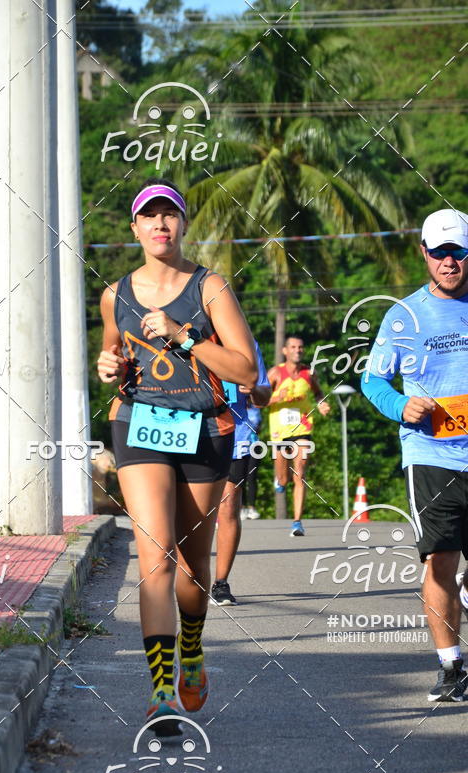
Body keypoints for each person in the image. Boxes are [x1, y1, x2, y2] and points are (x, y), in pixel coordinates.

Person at [96, 177, 258, 733]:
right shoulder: (115, 294)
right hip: (139, 425)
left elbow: (245, 371)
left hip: (205, 429)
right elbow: (112, 353)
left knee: (193, 568)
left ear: (183, 225)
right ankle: (162, 693)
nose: (160, 224)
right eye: (150, 216)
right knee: (155, 560)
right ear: (135, 227)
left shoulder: (210, 288)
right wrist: (106, 366)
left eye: (170, 215)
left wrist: (185, 336)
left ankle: (192, 649)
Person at [362, 208, 468, 702]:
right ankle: (451, 666)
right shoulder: (403, 315)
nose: (450, 262)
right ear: (424, 254)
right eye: (441, 252)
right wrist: (402, 405)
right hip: (433, 453)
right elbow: (372, 380)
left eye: (459, 252)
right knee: (441, 559)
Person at [211, 341, 272, 606]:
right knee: (187, 511)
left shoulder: (245, 342)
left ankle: (220, 583)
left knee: (227, 507)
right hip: (187, 431)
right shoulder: (182, 333)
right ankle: (187, 576)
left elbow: (264, 396)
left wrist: (255, 390)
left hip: (236, 435)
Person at [267, 336, 330, 536]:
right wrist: (278, 397)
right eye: (293, 347)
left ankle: (297, 522)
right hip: (279, 431)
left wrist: (322, 403)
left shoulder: (308, 373)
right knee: (284, 477)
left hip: (302, 428)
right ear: (285, 351)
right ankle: (280, 481)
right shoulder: (275, 373)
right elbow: (258, 400)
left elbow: (319, 393)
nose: (298, 350)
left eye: (301, 347)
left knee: (300, 472)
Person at [241, 402, 262, 520]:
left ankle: (252, 508)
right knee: (240, 478)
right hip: (239, 446)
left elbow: (258, 426)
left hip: (254, 445)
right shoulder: (236, 407)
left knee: (252, 477)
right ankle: (242, 507)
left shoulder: (255, 409)